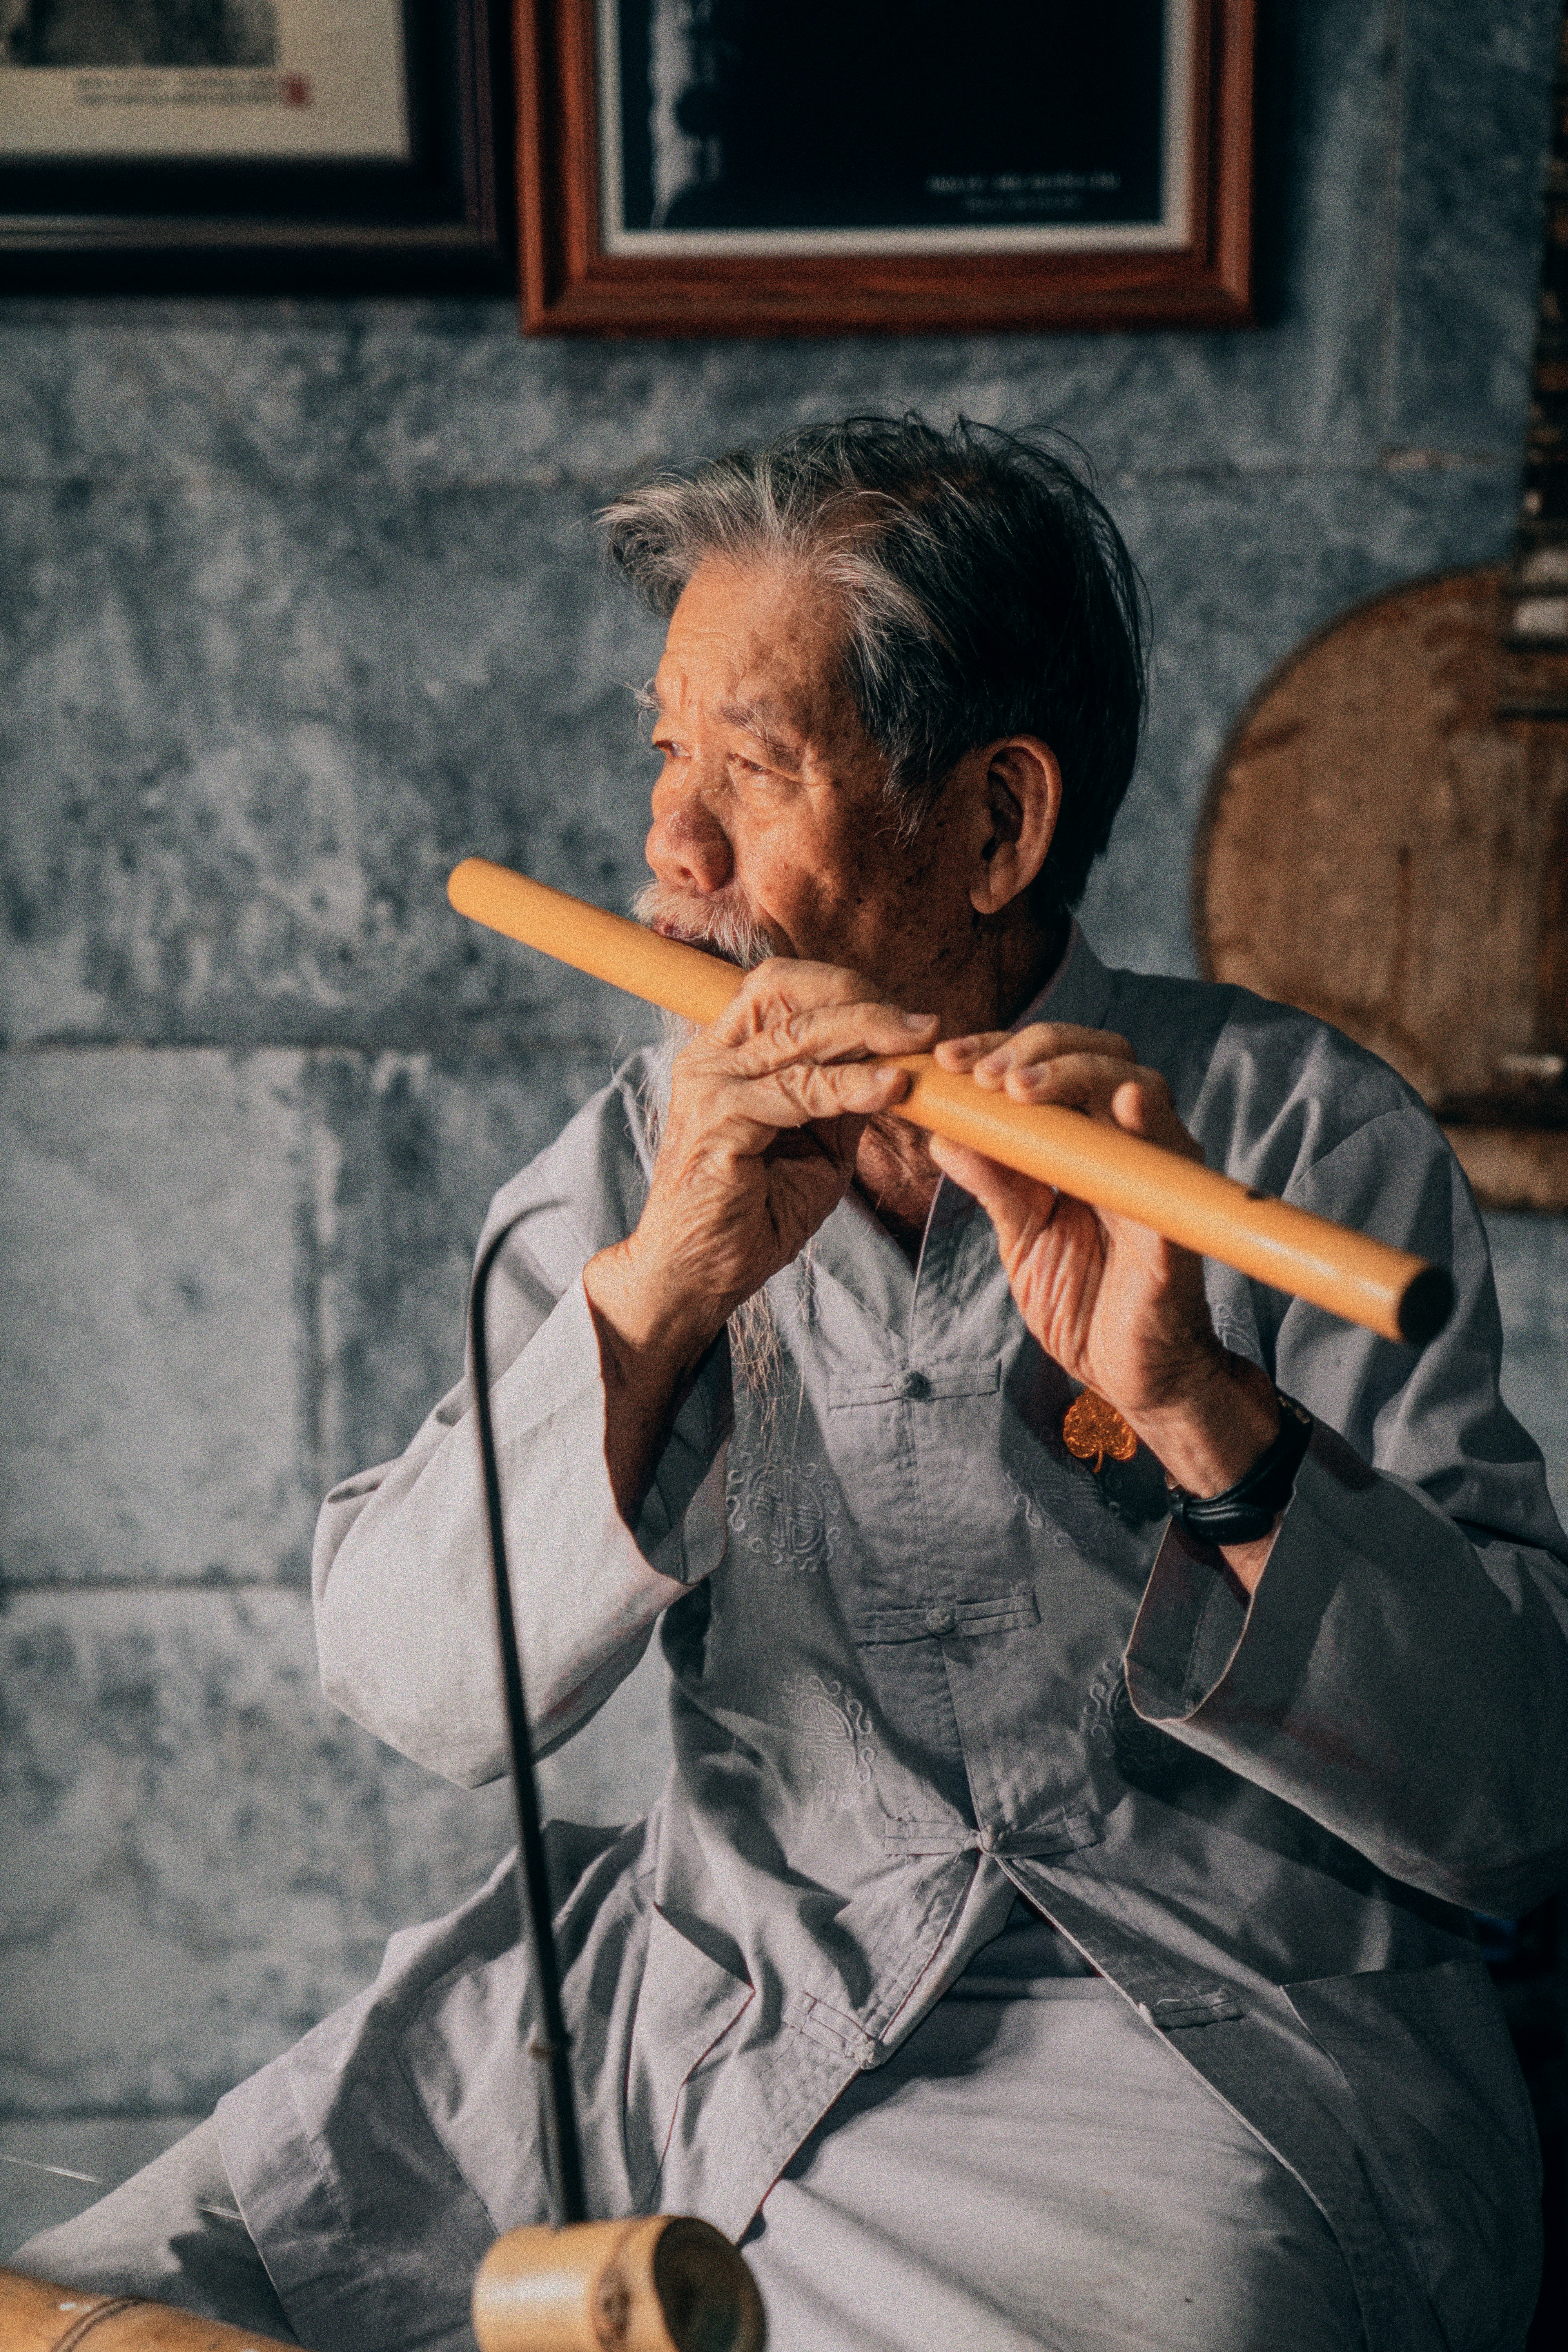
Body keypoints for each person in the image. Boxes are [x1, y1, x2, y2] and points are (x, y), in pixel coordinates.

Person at [16, 418, 1566, 2352]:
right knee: (98, 2306)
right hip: (712, 1976)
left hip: (1178, 2018)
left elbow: (1515, 1801)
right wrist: (664, 1285)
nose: (670, 849)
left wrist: (1194, 1406)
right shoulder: (634, 1160)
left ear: (993, 826)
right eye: (668, 756)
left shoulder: (1293, 1132)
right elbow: (417, 1688)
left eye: (753, 771)